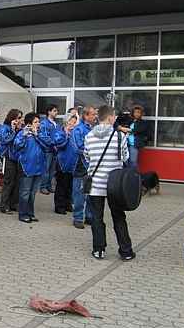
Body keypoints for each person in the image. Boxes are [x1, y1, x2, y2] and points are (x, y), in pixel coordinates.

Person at [84, 105, 134, 260]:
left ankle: (99, 250)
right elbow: (125, 158)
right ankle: (126, 251)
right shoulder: (119, 136)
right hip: (115, 185)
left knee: (97, 218)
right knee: (118, 217)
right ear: (111, 117)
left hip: (95, 184)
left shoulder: (89, 136)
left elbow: (87, 158)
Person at [14, 112, 48, 223]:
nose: (38, 124)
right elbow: (17, 146)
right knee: (25, 192)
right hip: (27, 166)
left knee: (33, 193)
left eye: (39, 122)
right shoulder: (23, 133)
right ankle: (23, 214)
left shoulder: (40, 133)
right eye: (35, 122)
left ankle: (30, 213)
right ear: (29, 123)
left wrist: (37, 134)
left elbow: (48, 145)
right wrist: (24, 135)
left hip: (39, 167)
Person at [70, 106, 97, 229]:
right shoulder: (78, 130)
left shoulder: (95, 129)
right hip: (80, 165)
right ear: (86, 116)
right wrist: (93, 151)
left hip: (92, 165)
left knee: (91, 192)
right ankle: (78, 218)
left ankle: (90, 216)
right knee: (79, 193)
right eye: (92, 114)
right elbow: (77, 148)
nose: (95, 116)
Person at [0, 109, 23, 214]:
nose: (20, 120)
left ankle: (14, 203)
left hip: (19, 158)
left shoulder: (20, 129)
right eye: (18, 118)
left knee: (17, 182)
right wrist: (13, 130)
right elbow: (5, 141)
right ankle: (4, 205)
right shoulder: (5, 128)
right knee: (8, 182)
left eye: (20, 118)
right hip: (9, 157)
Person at [53, 114, 78, 214]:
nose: (73, 123)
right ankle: (59, 206)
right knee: (61, 185)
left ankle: (68, 204)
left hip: (73, 163)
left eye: (74, 122)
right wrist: (66, 135)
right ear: (66, 121)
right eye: (71, 121)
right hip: (62, 162)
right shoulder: (60, 132)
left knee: (70, 186)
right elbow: (59, 144)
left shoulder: (75, 133)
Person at [116, 105, 151, 170]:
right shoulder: (129, 120)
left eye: (139, 112)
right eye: (135, 112)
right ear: (133, 113)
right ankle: (126, 176)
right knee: (125, 161)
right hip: (125, 144)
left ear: (141, 114)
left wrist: (126, 129)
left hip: (134, 145)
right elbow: (117, 122)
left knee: (133, 162)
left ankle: (134, 177)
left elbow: (138, 130)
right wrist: (122, 116)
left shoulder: (143, 123)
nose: (137, 114)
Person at [39, 105, 59, 195]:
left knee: (52, 170)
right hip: (48, 149)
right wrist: (53, 144)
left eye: (56, 111)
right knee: (46, 169)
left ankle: (49, 186)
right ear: (49, 112)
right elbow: (44, 136)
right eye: (54, 111)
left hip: (55, 149)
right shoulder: (44, 123)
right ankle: (43, 186)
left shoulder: (56, 123)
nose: (56, 112)